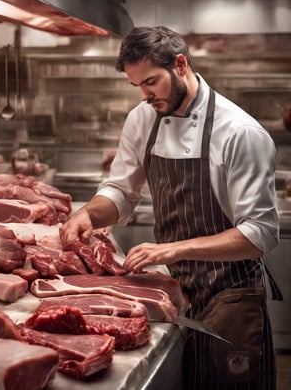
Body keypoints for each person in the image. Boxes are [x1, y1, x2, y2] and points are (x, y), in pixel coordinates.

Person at [60, 26, 280, 390]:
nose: (146, 96)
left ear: (180, 65)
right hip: (174, 292)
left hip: (230, 296)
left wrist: (173, 248)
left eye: (151, 82)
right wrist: (89, 213)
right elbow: (120, 191)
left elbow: (259, 234)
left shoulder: (240, 133)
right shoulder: (143, 118)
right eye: (138, 87)